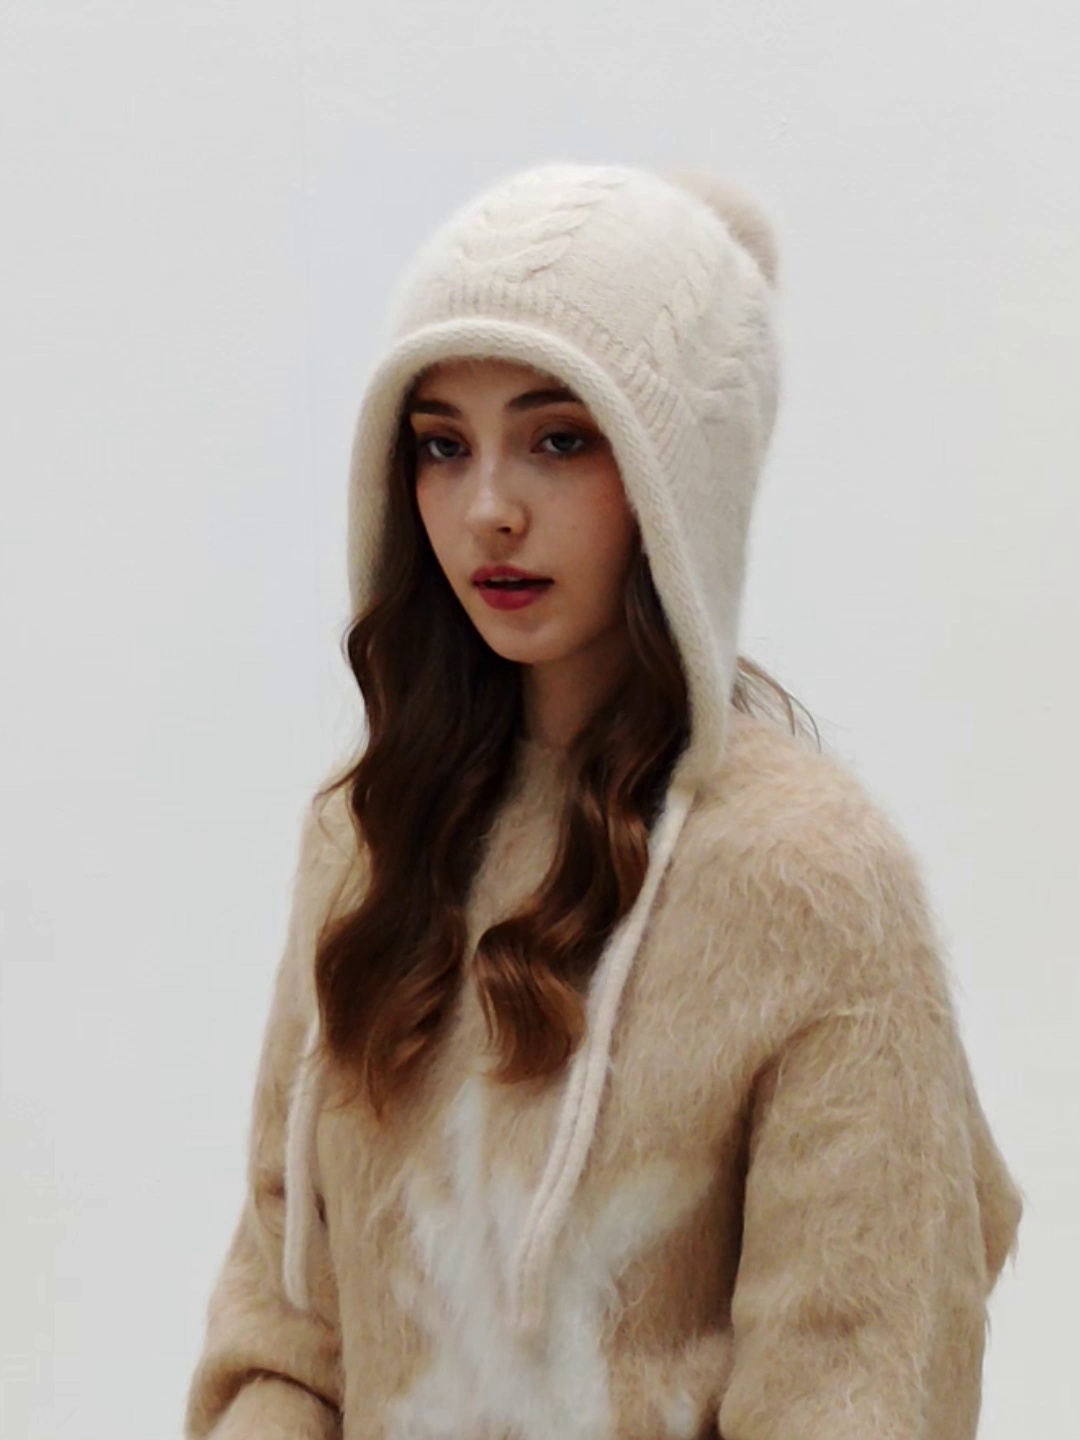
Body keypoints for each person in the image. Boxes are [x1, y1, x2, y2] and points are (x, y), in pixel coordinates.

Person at [182, 161, 1024, 1440]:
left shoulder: (810, 884)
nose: (488, 510)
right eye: (442, 445)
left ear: (680, 475)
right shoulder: (367, 840)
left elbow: (856, 1388)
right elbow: (284, 1339)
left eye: (560, 439)